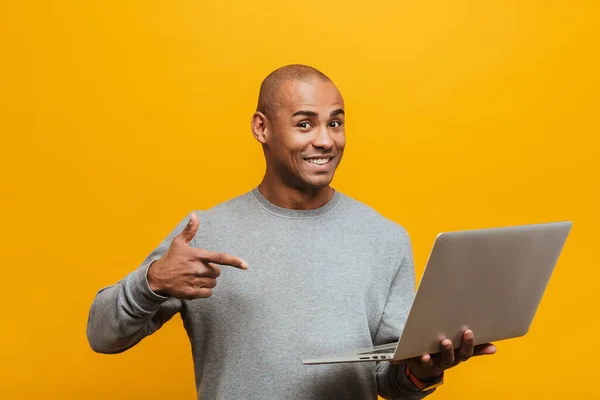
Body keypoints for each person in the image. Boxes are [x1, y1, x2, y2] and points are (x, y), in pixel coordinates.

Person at [87, 64, 496, 399]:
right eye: (305, 124)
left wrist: (421, 374)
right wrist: (152, 281)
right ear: (261, 128)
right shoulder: (203, 233)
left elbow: (389, 381)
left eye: (335, 123)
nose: (325, 140)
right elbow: (103, 336)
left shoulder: (385, 238)